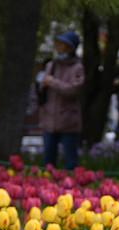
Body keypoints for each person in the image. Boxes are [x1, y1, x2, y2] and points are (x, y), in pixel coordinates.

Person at [37, 31, 85, 170]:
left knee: (70, 162)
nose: (59, 47)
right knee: (48, 163)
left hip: (68, 122)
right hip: (49, 121)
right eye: (58, 44)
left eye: (63, 45)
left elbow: (72, 90)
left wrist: (52, 82)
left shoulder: (77, 67)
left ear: (71, 47)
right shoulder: (51, 65)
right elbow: (42, 88)